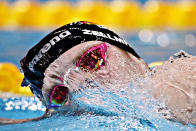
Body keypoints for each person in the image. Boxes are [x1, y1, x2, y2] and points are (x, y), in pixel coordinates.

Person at [0, 21, 195, 125]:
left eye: (91, 60)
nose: (80, 86)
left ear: (126, 51)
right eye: (60, 94)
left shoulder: (182, 81)